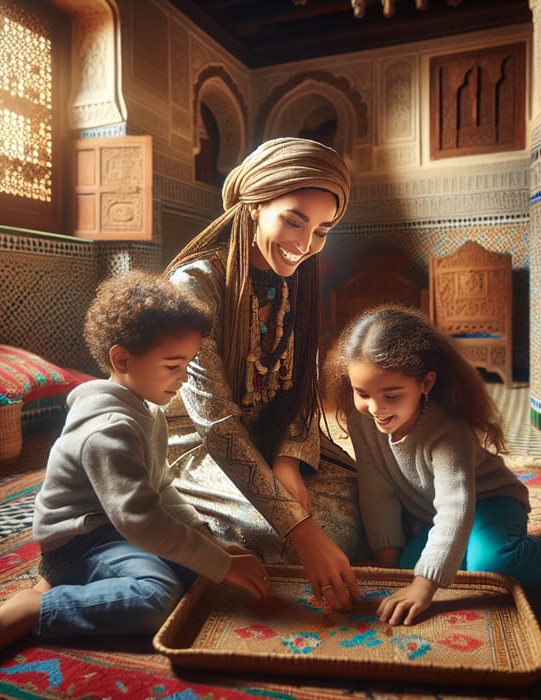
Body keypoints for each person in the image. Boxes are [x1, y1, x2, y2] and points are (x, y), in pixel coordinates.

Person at [0, 270, 269, 669]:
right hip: (80, 543)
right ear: (121, 359)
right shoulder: (109, 430)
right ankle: (40, 607)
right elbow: (139, 520)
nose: (182, 377)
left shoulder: (147, 411)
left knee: (203, 575)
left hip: (116, 532)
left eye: (187, 364)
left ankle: (66, 584)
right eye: (173, 365)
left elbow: (160, 487)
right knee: (156, 599)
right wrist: (219, 561)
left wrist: (206, 539)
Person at [324, 304, 541, 626]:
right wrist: (388, 563)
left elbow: (457, 507)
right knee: (409, 566)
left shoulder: (448, 431)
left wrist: (425, 585)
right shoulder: (362, 423)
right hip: (435, 514)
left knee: (492, 564)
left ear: (425, 384)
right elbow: (377, 488)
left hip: (491, 502)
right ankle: (499, 549)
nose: (375, 408)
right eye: (363, 393)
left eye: (391, 395)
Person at [164, 137, 365, 612]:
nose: (304, 244)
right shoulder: (194, 285)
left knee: (364, 502)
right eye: (294, 220)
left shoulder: (297, 283)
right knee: (295, 537)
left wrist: (288, 462)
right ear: (254, 206)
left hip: (271, 441)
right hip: (195, 446)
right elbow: (215, 425)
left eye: (321, 230)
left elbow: (299, 392)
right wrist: (299, 527)